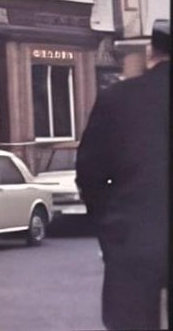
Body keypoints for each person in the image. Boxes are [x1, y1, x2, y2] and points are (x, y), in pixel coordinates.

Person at [76, 18, 170, 331]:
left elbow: (89, 173)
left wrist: (109, 228)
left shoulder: (118, 99)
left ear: (150, 52)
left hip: (134, 241)